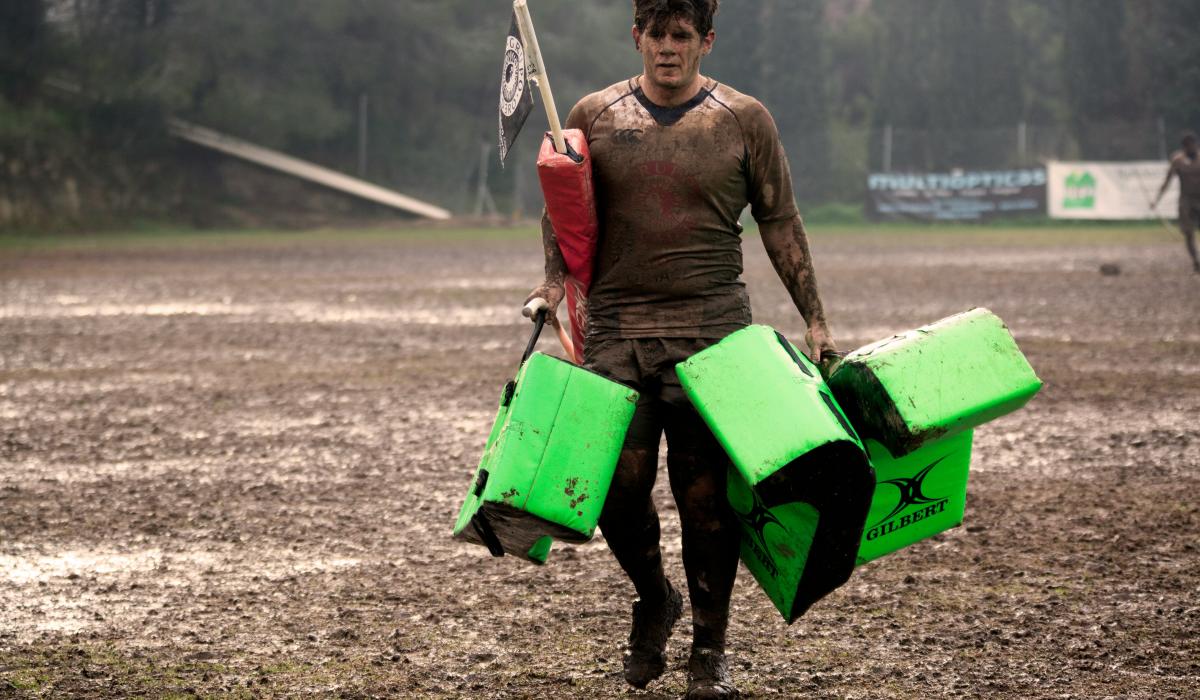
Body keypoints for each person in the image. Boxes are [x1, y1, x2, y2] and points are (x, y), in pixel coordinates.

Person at [526, 1, 835, 697]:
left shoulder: (742, 119)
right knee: (616, 490)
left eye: (682, 36)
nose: (668, 49)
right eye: (656, 35)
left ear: (706, 41)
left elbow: (781, 220)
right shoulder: (593, 114)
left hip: (712, 335)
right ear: (637, 37)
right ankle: (654, 597)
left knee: (704, 500)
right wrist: (552, 283)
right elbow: (562, 204)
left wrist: (815, 320)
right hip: (618, 329)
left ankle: (709, 650)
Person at [1153, 131, 1200, 273]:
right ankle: (1196, 262)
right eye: (1186, 146)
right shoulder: (1177, 160)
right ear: (1183, 147)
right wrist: (1157, 199)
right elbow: (1168, 180)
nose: (1189, 148)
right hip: (1186, 200)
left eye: (1191, 145)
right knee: (1188, 232)